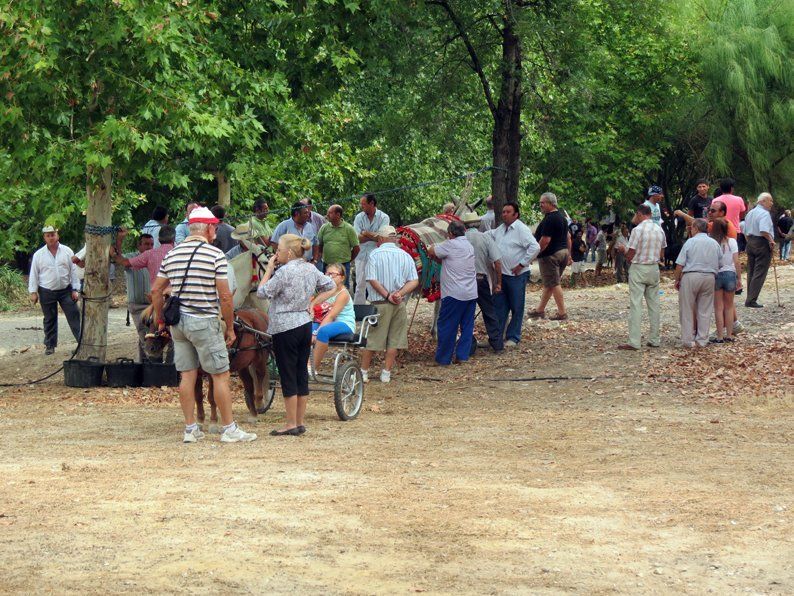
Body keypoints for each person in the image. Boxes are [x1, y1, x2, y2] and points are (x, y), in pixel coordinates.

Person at [151, 206, 256, 444]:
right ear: (208, 227)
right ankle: (229, 428)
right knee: (220, 374)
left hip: (178, 324)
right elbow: (226, 297)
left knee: (187, 376)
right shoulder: (214, 255)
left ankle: (190, 429)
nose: (216, 233)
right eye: (215, 228)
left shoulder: (172, 254)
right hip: (205, 321)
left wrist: (160, 320)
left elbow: (156, 290)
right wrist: (229, 328)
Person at [257, 234, 335, 436]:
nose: (277, 254)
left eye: (279, 250)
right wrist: (312, 303)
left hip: (285, 326)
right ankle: (299, 421)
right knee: (300, 371)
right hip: (304, 323)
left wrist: (268, 270)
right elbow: (331, 286)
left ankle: (291, 422)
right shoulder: (311, 268)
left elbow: (262, 292)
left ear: (289, 252)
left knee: (287, 374)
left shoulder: (283, 272)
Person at [359, 226, 419, 383]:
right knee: (395, 339)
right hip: (399, 303)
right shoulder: (405, 255)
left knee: (373, 338)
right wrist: (400, 294)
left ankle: (363, 371)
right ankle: (386, 373)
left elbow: (372, 279)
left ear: (380, 239)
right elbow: (414, 280)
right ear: (395, 239)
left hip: (380, 302)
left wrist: (387, 295)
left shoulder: (375, 254)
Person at [488, 201, 540, 347]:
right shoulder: (500, 229)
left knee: (516, 306)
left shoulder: (521, 229)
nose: (504, 214)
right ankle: (497, 337)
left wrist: (522, 264)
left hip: (517, 275)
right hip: (501, 275)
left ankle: (513, 336)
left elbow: (535, 247)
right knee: (499, 306)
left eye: (507, 212)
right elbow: (489, 235)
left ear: (515, 214)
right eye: (503, 211)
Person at [616, 204, 666, 351]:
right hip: (654, 268)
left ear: (639, 214)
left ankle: (634, 341)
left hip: (639, 267)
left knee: (636, 304)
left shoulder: (637, 230)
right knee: (654, 304)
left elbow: (630, 255)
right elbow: (662, 254)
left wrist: (623, 250)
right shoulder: (659, 229)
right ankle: (655, 338)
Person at [428, 220, 478, 365]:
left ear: (450, 233)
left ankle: (443, 359)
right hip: (470, 292)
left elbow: (432, 250)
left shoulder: (449, 245)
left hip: (454, 293)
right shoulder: (468, 245)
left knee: (447, 326)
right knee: (467, 326)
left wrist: (431, 247)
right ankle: (462, 356)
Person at [28, 226, 81, 355]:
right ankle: (50, 345)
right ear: (44, 237)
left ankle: (82, 343)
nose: (51, 237)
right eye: (48, 235)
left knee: (74, 315)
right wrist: (33, 292)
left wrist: (75, 289)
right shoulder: (38, 255)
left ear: (57, 235)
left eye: (53, 234)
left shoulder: (67, 251)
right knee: (49, 318)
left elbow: (74, 271)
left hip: (66, 290)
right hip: (46, 290)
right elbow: (34, 274)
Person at [674, 219, 721, 348]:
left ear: (695, 228)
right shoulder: (714, 243)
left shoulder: (690, 242)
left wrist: (677, 279)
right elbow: (720, 263)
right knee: (705, 309)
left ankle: (688, 340)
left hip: (691, 275)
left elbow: (680, 264)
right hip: (709, 277)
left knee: (687, 308)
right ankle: (702, 340)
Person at [462, 212, 503, 352]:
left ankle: (469, 346)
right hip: (480, 280)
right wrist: (498, 283)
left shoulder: (460, 239)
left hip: (465, 282)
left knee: (467, 314)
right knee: (489, 312)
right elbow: (497, 262)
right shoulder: (485, 238)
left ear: (464, 225)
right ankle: (497, 344)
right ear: (478, 224)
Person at [528, 192, 570, 320]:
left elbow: (545, 240)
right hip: (562, 252)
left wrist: (534, 254)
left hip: (550, 256)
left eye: (543, 202)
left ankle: (562, 313)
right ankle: (540, 310)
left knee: (554, 283)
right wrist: (569, 254)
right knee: (549, 284)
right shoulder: (562, 218)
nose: (540, 205)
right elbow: (568, 237)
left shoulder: (550, 219)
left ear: (551, 203)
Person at [309, 262, 355, 375]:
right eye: (327, 274)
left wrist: (316, 332)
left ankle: (313, 367)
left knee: (323, 332)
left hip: (343, 323)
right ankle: (302, 364)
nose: (329, 277)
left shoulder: (343, 294)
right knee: (305, 330)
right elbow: (314, 303)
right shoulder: (326, 291)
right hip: (324, 321)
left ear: (342, 277)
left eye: (333, 274)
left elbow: (331, 316)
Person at [115, 232, 153, 362]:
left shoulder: (155, 258)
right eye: (146, 244)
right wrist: (119, 239)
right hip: (136, 305)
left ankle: (143, 366)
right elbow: (118, 258)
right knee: (145, 335)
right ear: (139, 245)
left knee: (147, 335)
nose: (149, 247)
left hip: (152, 305)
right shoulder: (131, 257)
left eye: (151, 244)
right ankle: (152, 366)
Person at [352, 193, 390, 304]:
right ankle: (358, 310)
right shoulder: (359, 217)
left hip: (377, 256)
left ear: (372, 203)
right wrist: (373, 236)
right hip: (361, 255)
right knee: (360, 284)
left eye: (363, 204)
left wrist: (365, 232)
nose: (361, 206)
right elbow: (357, 238)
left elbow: (382, 237)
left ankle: (376, 308)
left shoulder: (384, 217)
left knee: (377, 283)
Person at [709, 218, 741, 343]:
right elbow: (737, 261)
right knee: (729, 306)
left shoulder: (712, 242)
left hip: (717, 274)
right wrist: (739, 278)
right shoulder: (732, 242)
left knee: (718, 307)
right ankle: (729, 334)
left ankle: (719, 336)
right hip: (730, 274)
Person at [743, 192, 776, 308]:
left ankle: (749, 297)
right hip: (761, 242)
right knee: (760, 271)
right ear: (763, 201)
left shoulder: (750, 213)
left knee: (751, 270)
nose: (772, 203)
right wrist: (771, 241)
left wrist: (749, 241)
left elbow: (745, 230)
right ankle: (751, 299)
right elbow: (764, 231)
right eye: (770, 200)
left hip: (750, 241)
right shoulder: (764, 214)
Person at [317, 204, 360, 284]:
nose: (327, 215)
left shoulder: (349, 229)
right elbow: (319, 244)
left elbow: (356, 248)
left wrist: (348, 260)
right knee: (326, 286)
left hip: (343, 265)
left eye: (330, 213)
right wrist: (321, 255)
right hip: (327, 264)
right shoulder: (324, 228)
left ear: (338, 214)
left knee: (343, 287)